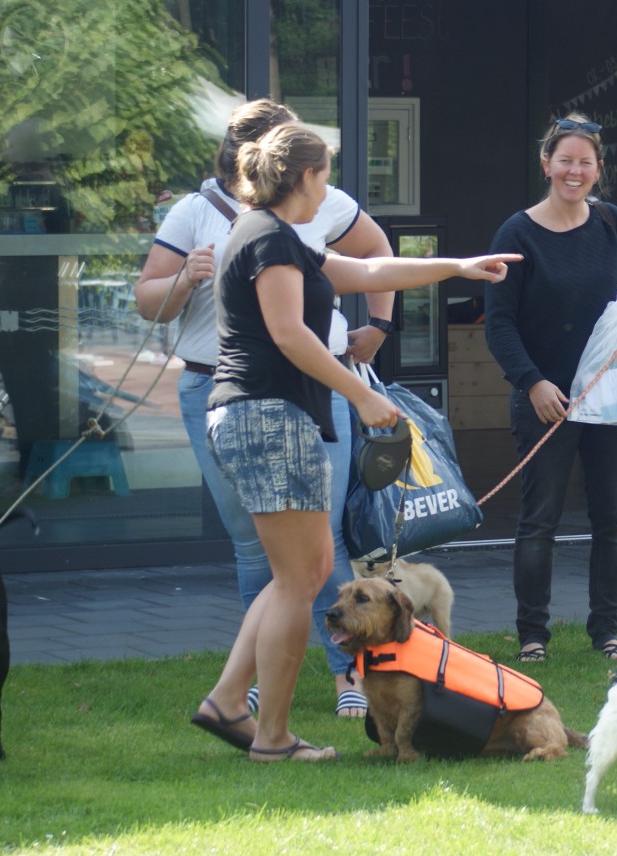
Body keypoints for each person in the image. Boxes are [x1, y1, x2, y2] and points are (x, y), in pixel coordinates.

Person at [188, 123, 517, 760]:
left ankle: (229, 701)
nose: (329, 187)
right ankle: (272, 736)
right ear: (304, 177)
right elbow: (289, 334)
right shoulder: (267, 241)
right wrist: (363, 394)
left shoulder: (277, 238)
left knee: (301, 574)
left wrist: (459, 265)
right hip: (270, 418)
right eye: (325, 174)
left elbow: (366, 268)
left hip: (267, 418)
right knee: (299, 580)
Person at [136, 99, 397, 719]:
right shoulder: (209, 216)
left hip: (309, 389)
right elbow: (152, 302)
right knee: (266, 554)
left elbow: (370, 258)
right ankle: (247, 693)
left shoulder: (312, 211)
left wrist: (381, 325)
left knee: (317, 548)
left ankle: (339, 676)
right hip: (236, 391)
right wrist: (186, 279)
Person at [484, 114, 617, 663]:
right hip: (546, 401)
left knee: (615, 517)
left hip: (611, 395)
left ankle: (607, 630)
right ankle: (533, 633)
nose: (574, 171)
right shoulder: (517, 232)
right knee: (540, 519)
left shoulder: (610, 222)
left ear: (599, 168)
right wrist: (532, 383)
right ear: (546, 164)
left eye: (585, 162)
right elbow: (499, 324)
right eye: (565, 160)